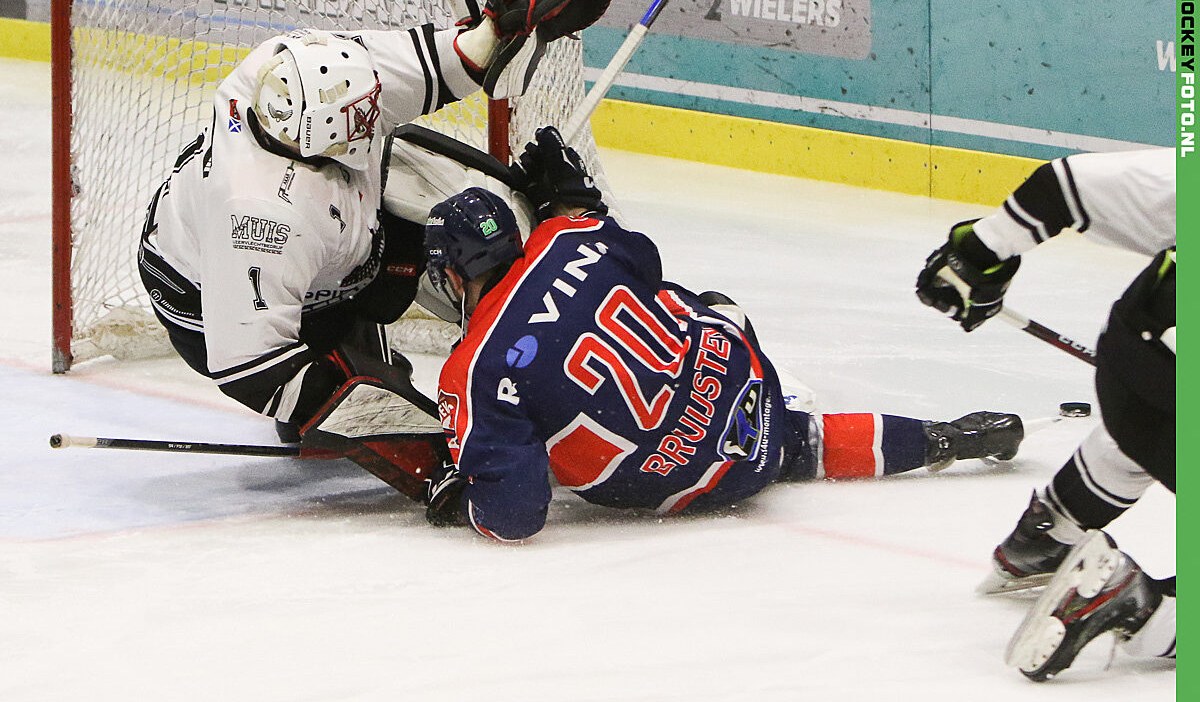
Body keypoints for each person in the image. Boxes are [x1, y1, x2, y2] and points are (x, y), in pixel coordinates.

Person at [136, 0, 617, 477]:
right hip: (208, 307)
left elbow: (449, 60)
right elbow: (251, 368)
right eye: (362, 120)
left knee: (492, 210)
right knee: (348, 394)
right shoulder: (258, 216)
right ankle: (352, 358)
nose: (375, 114)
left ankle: (553, 332)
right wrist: (421, 454)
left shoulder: (308, 70)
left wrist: (501, 28)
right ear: (324, 141)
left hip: (328, 239)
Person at [419, 126, 1026, 541]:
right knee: (704, 307)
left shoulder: (473, 368)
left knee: (542, 417)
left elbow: (516, 517)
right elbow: (640, 259)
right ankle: (942, 439)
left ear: (453, 270)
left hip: (675, 482)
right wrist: (575, 203)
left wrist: (469, 494)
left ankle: (787, 439)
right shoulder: (571, 238)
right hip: (744, 396)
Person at [914, 147, 1175, 680]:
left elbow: (1061, 185)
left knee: (1147, 435)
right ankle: (1140, 606)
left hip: (1129, 370)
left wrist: (980, 254)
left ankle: (1048, 533)